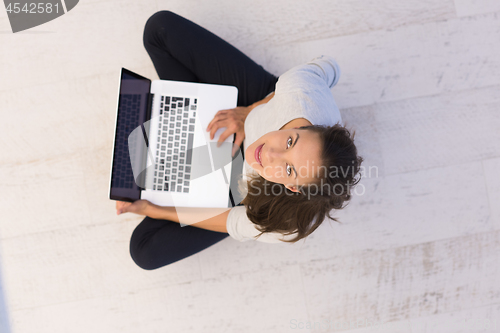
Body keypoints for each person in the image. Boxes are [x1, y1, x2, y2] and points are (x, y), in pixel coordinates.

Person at [115, 10, 364, 270]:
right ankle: (206, 112)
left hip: (239, 191)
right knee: (159, 30)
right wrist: (248, 111)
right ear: (305, 125)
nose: (268, 155)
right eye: (291, 141)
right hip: (252, 105)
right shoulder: (301, 90)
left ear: (292, 188)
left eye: (289, 169)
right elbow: (331, 67)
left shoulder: (286, 222)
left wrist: (157, 208)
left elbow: (231, 221)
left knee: (144, 250)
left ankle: (193, 141)